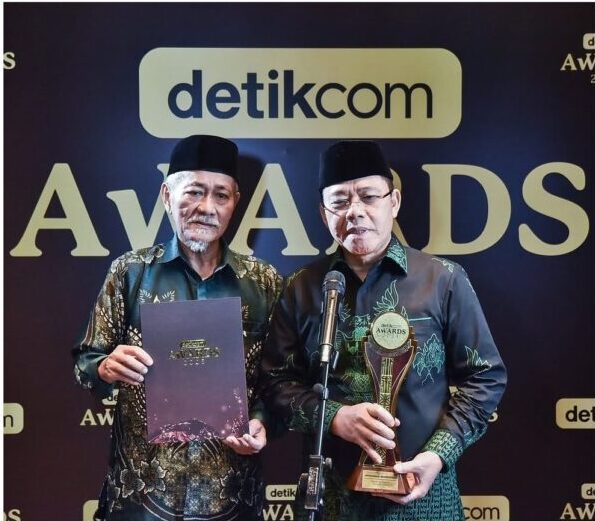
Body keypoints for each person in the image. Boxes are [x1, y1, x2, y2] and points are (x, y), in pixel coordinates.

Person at [259, 140, 507, 521]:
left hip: (425, 498)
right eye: (340, 201)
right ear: (324, 214)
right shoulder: (302, 288)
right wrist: (335, 418)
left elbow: (485, 377)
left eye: (369, 196)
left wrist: (438, 453)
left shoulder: (443, 281)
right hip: (332, 501)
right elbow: (276, 383)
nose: (355, 211)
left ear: (394, 202)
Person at [73, 135, 282, 521]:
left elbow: (278, 381)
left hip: (231, 496)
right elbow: (86, 362)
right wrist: (104, 367)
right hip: (142, 498)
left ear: (235, 203)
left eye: (221, 195)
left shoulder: (264, 282)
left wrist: (261, 421)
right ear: (167, 196)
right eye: (194, 192)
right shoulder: (130, 272)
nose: (207, 207)